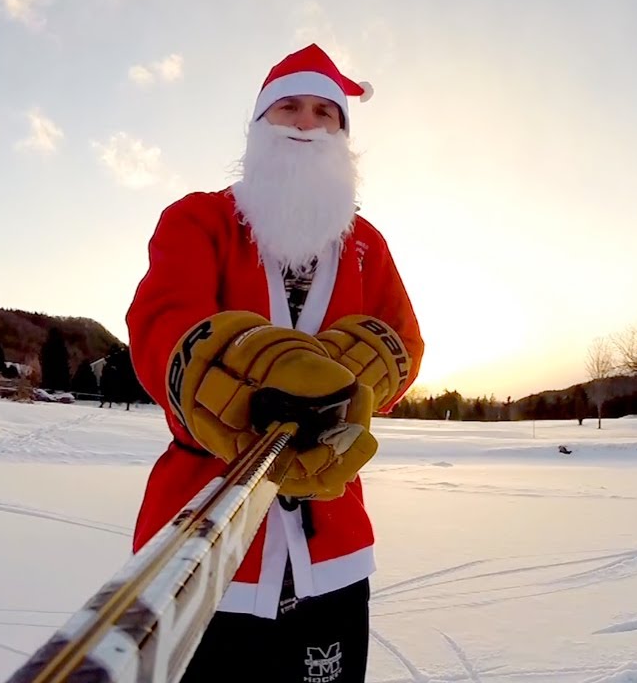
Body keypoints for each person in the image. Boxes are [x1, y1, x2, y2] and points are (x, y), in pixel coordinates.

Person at [125, 43, 424, 682]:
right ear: (259, 126)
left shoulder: (368, 245)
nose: (307, 124)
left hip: (334, 553)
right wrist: (234, 373)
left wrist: (356, 378)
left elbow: (404, 340)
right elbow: (160, 324)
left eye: (326, 112)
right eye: (289, 107)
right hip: (206, 545)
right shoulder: (197, 219)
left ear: (344, 136)